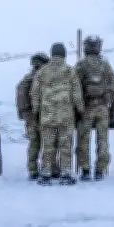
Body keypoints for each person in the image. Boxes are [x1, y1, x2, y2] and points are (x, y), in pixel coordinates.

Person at [30, 43, 85, 185]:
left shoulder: (42, 72)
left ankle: (46, 174)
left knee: (48, 146)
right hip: (66, 116)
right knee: (65, 146)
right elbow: (76, 94)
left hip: (47, 117)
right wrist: (80, 110)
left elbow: (34, 93)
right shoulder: (70, 71)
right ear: (64, 54)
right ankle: (65, 173)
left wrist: (36, 111)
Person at [74, 36, 114, 181]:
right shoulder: (105, 65)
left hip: (86, 108)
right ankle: (100, 169)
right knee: (103, 140)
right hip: (102, 108)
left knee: (83, 140)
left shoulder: (81, 65)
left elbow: (74, 87)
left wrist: (78, 108)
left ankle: (85, 170)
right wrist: (111, 108)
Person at [16, 52, 61, 180]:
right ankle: (51, 169)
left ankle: (33, 170)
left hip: (30, 117)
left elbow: (20, 100)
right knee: (49, 144)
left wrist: (24, 114)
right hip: (45, 116)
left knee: (34, 144)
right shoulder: (46, 79)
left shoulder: (26, 79)